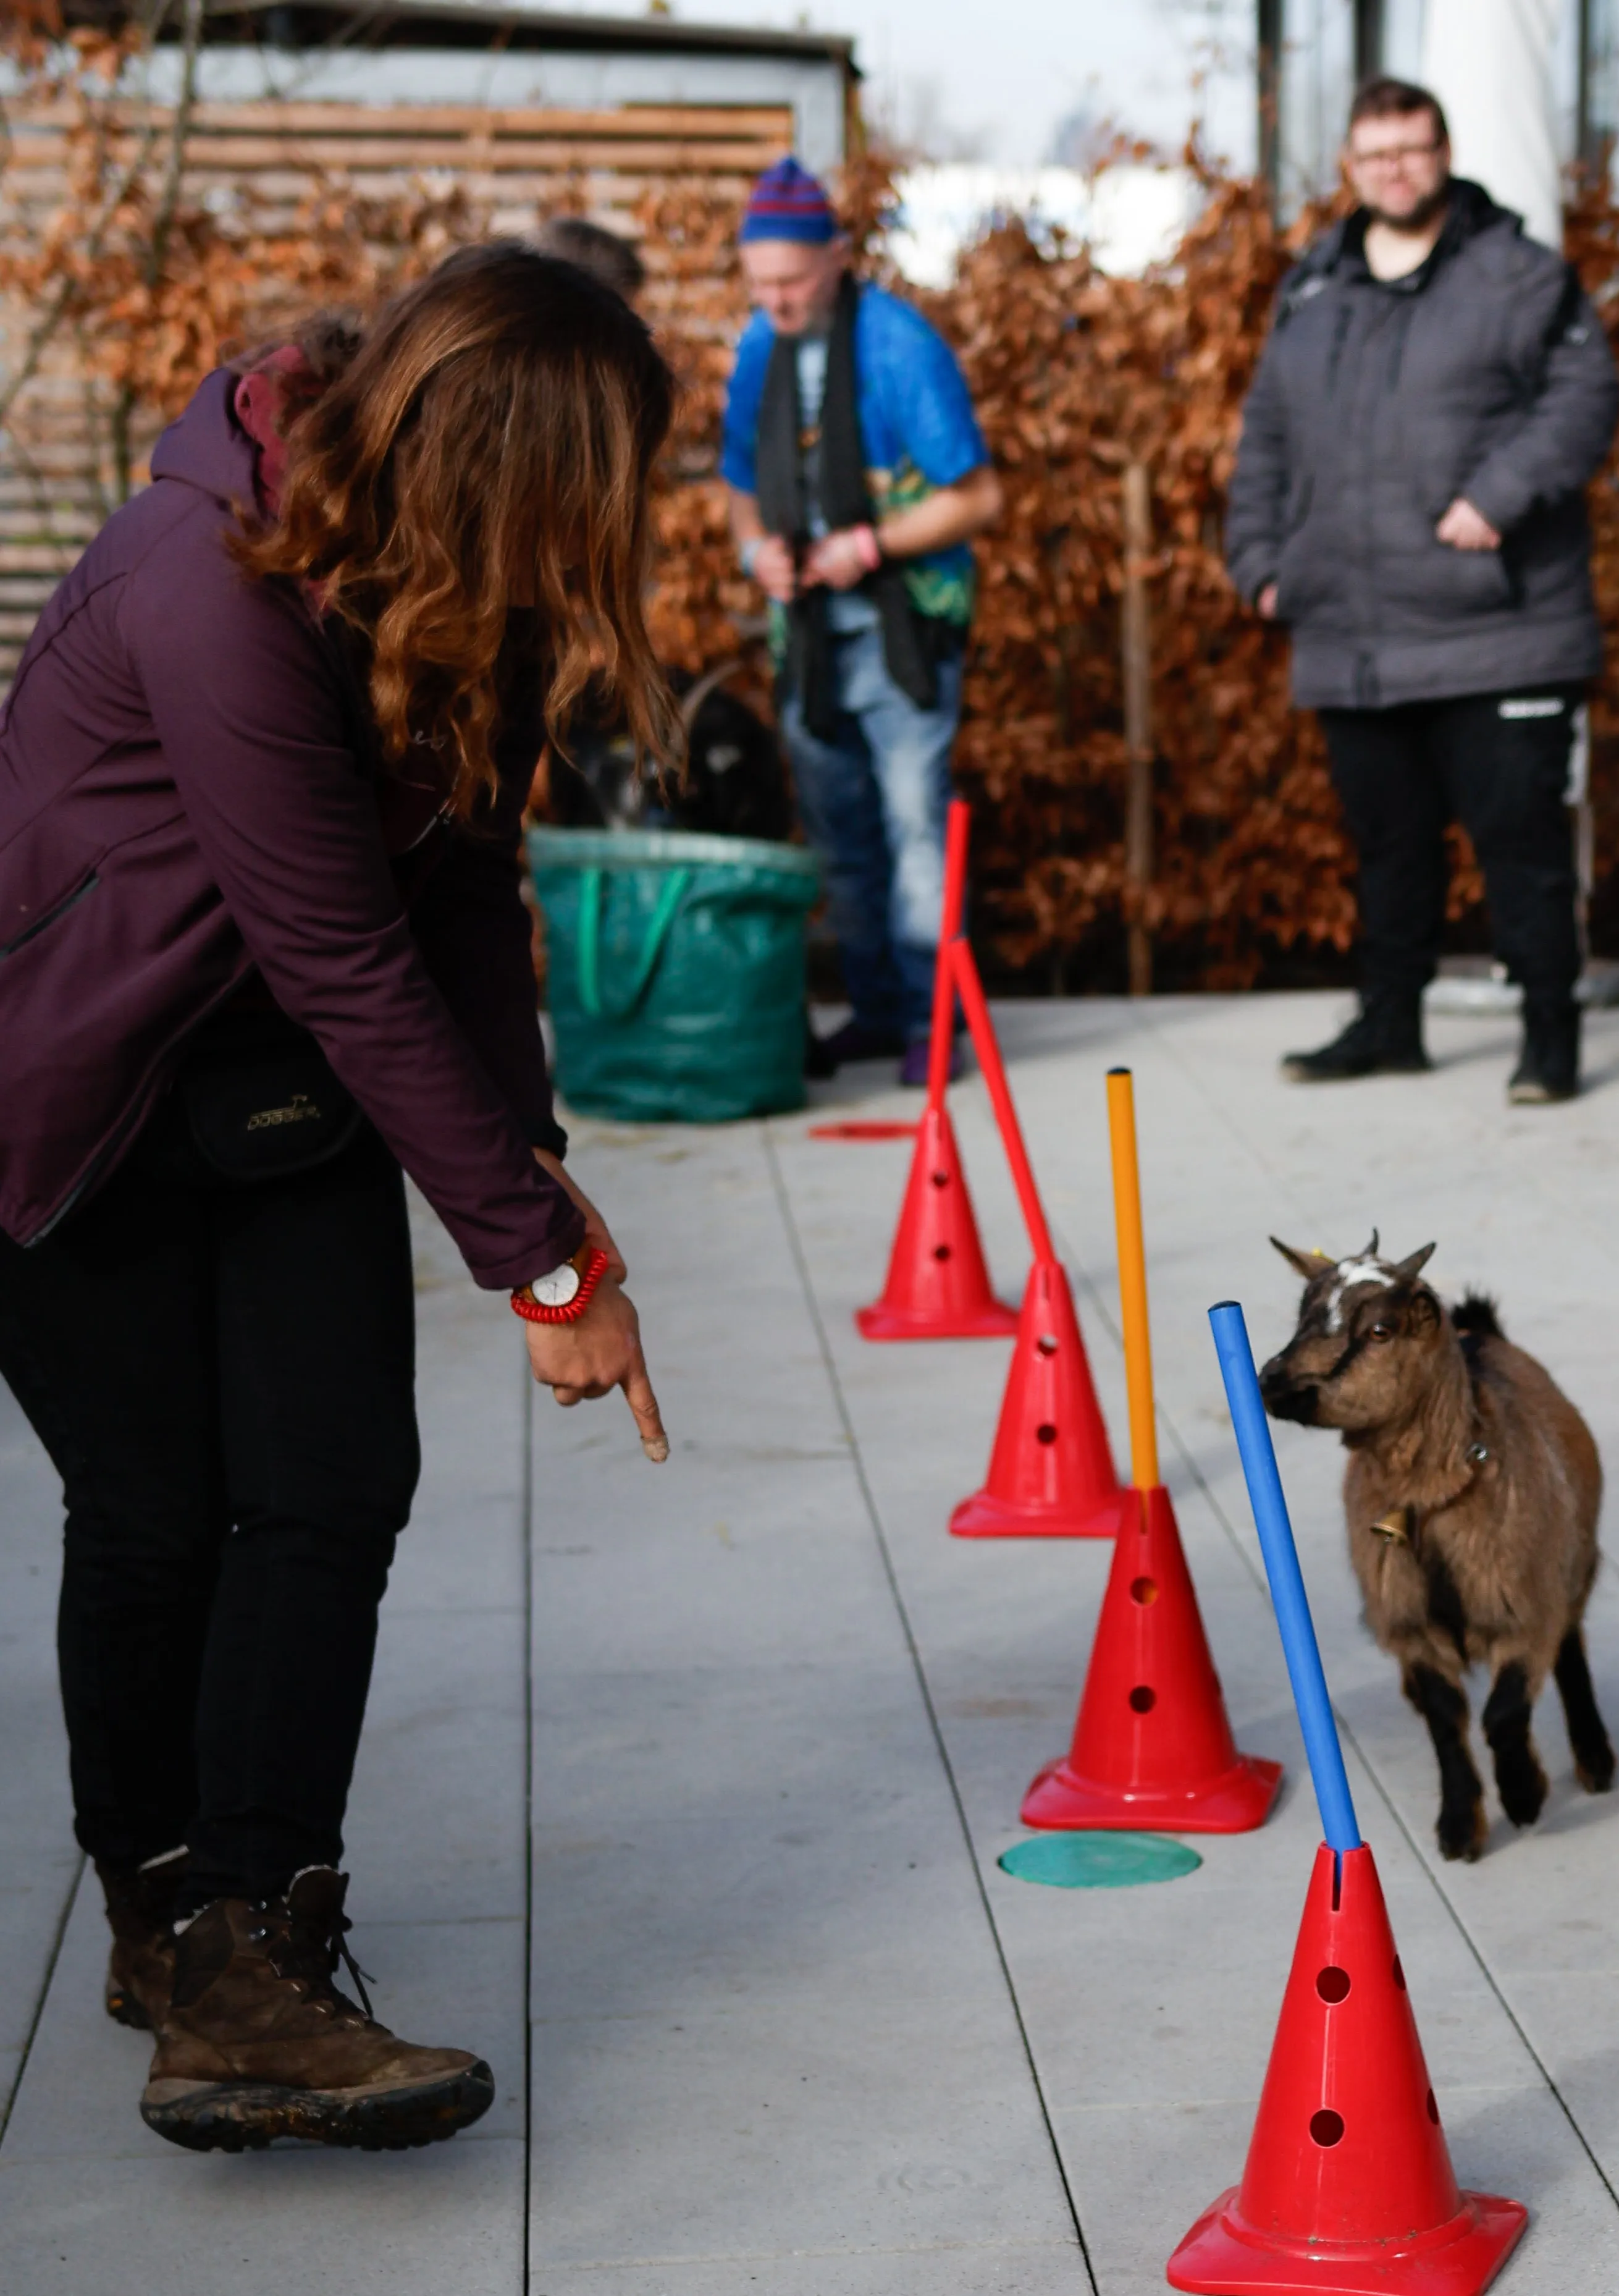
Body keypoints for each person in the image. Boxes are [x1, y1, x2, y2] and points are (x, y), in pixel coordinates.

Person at [0, 244, 675, 2153]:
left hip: (267, 1076)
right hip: (61, 1081)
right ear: (503, 460)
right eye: (597, 482)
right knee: (154, 1515)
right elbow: (341, 949)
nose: (615, 526)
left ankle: (254, 1954)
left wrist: (528, 1154)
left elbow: (459, 879)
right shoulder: (208, 592)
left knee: (330, 1479)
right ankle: (162, 1918)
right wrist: (542, 1279)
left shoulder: (477, 589)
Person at [1227, 76, 1619, 1101]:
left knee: (1520, 849)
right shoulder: (1311, 288)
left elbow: (1588, 399)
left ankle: (1549, 1041)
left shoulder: (1520, 274)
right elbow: (1266, 432)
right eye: (1375, 153)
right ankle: (1388, 1024)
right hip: (1351, 627)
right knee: (1387, 848)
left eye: (1413, 148)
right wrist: (1261, 562)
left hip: (1500, 626)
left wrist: (1497, 496)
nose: (1395, 168)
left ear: (1443, 153)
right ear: (1350, 167)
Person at [721, 157, 1003, 1087]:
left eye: (792, 281)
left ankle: (934, 1026)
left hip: (900, 631)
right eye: (759, 283)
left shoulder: (899, 345)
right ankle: (880, 1013)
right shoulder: (759, 345)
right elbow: (738, 496)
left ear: (838, 257)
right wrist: (755, 549)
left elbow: (978, 497)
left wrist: (870, 546)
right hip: (803, 634)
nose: (776, 302)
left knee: (916, 827)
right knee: (841, 835)